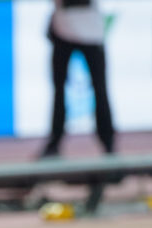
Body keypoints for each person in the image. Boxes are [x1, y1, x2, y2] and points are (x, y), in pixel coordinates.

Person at [40, 0, 116, 158]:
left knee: (100, 89)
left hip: (91, 30)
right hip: (63, 28)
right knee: (59, 90)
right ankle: (55, 141)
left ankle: (108, 143)